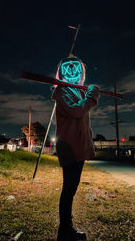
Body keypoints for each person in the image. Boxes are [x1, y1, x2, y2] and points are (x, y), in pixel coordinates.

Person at [52, 56, 100, 241]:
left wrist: (87, 95)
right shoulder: (63, 91)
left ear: (82, 71)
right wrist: (92, 95)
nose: (72, 70)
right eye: (67, 67)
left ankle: (66, 228)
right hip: (69, 145)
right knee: (69, 188)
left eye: (75, 67)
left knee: (71, 188)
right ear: (62, 71)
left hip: (76, 144)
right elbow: (78, 111)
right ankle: (65, 231)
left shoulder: (75, 90)